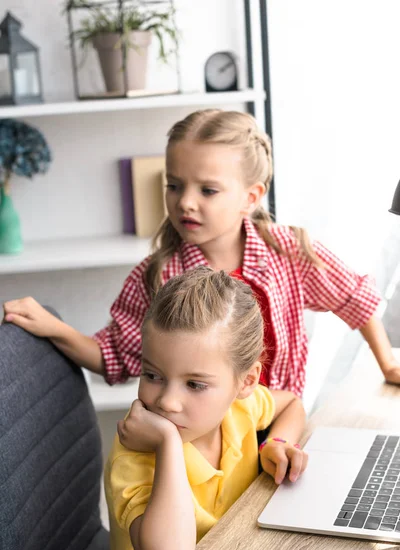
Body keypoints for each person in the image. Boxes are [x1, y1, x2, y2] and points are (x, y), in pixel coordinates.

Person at [3, 109, 400, 399]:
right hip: (196, 454)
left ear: (251, 196)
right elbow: (114, 357)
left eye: (207, 190)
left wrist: (387, 364)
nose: (185, 202)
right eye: (174, 185)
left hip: (276, 432)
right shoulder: (157, 276)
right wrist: (54, 327)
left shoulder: (287, 252)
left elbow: (354, 298)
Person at [105, 266, 307, 550]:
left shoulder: (239, 407)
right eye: (152, 375)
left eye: (195, 384)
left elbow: (292, 405)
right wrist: (168, 443)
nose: (167, 402)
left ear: (246, 382)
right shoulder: (136, 451)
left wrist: (277, 442)